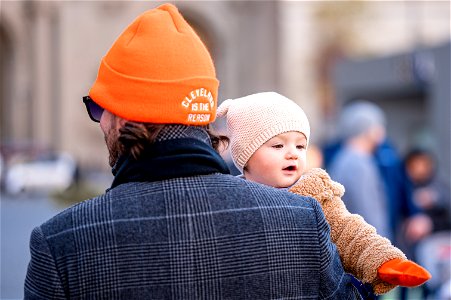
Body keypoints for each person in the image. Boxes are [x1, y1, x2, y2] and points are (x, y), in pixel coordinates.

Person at [23, 4, 360, 299]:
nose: (99, 122)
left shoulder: (62, 246)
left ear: (122, 115)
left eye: (98, 108)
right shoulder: (302, 220)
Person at [216, 92, 431, 296]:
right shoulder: (227, 198)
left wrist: (384, 261)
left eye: (301, 146)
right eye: (278, 145)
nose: (292, 154)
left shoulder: (314, 193)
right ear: (246, 154)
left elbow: (349, 232)